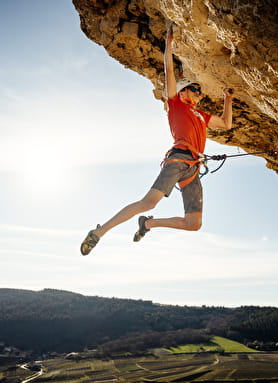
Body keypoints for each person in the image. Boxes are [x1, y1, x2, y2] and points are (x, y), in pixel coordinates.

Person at [80, 24, 233, 255]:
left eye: (199, 91)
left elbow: (226, 123)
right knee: (148, 202)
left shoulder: (201, 115)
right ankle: (99, 232)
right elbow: (169, 73)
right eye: (195, 89)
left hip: (193, 166)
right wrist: (168, 46)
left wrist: (227, 99)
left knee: (194, 224)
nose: (199, 93)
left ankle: (148, 224)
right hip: (179, 158)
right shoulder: (176, 105)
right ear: (183, 93)